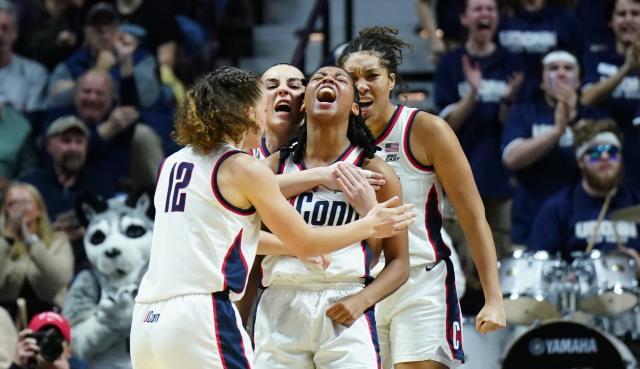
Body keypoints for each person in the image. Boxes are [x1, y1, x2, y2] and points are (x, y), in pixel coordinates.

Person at [129, 66, 415, 369]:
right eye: (263, 110)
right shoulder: (244, 166)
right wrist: (369, 224)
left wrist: (318, 175)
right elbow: (306, 243)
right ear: (249, 113)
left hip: (147, 318)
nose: (266, 121)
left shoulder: (173, 164)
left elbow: (235, 194)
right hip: (198, 315)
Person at [338, 26, 505, 369]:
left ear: (392, 81)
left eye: (372, 75)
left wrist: (494, 298)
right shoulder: (330, 136)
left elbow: (473, 216)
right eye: (351, 77)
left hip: (419, 279)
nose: (361, 85)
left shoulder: (425, 129)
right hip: (355, 284)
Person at [253, 65, 410, 368]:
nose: (327, 80)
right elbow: (244, 238)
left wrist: (361, 301)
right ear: (305, 102)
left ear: (354, 107)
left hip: (345, 296)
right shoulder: (273, 168)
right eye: (318, 78)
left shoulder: (376, 172)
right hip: (280, 301)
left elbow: (399, 263)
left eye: (340, 79)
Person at [434, 0, 523, 288]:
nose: (485, 14)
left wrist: (508, 101)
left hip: (499, 178)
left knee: (500, 258)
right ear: (464, 18)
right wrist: (472, 94)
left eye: (490, 9)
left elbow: (515, 122)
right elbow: (444, 125)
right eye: (478, 8)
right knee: (459, 260)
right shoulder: (451, 62)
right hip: (457, 176)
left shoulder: (510, 62)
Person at [501, 50, 602, 246]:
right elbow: (511, 158)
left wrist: (573, 119)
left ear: (579, 80)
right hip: (531, 215)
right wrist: (556, 132)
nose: (561, 73)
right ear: (541, 81)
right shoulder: (525, 111)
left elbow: (605, 159)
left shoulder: (593, 114)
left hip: (583, 221)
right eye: (553, 69)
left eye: (568, 68)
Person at [530, 119, 640, 258]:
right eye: (595, 152)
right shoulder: (557, 209)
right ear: (580, 161)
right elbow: (539, 264)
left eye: (611, 151)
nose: (605, 157)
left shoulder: (636, 202)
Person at [47, 2, 161, 110]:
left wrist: (75, 86)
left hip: (131, 123)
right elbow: (55, 101)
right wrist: (100, 70)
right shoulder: (70, 64)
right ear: (86, 32)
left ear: (118, 29)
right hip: (84, 124)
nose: (102, 31)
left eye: (108, 25)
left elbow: (146, 98)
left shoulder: (141, 58)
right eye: (96, 26)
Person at [580, 0, 640, 191]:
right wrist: (626, 69)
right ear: (611, 22)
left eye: (635, 14)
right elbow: (586, 98)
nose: (628, 19)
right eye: (621, 14)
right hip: (606, 156)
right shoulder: (596, 58)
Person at [0, 183, 73, 322]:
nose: (19, 210)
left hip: (50, 317)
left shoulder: (58, 241)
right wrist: (8, 238)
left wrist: (31, 240)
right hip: (5, 319)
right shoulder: (2, 243)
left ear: (39, 209)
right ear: (5, 211)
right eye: (12, 204)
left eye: (25, 202)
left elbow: (59, 279)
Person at [0, 0, 48, 113]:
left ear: (15, 33)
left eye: (5, 28)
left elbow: (31, 120)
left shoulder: (35, 73)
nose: (0, 34)